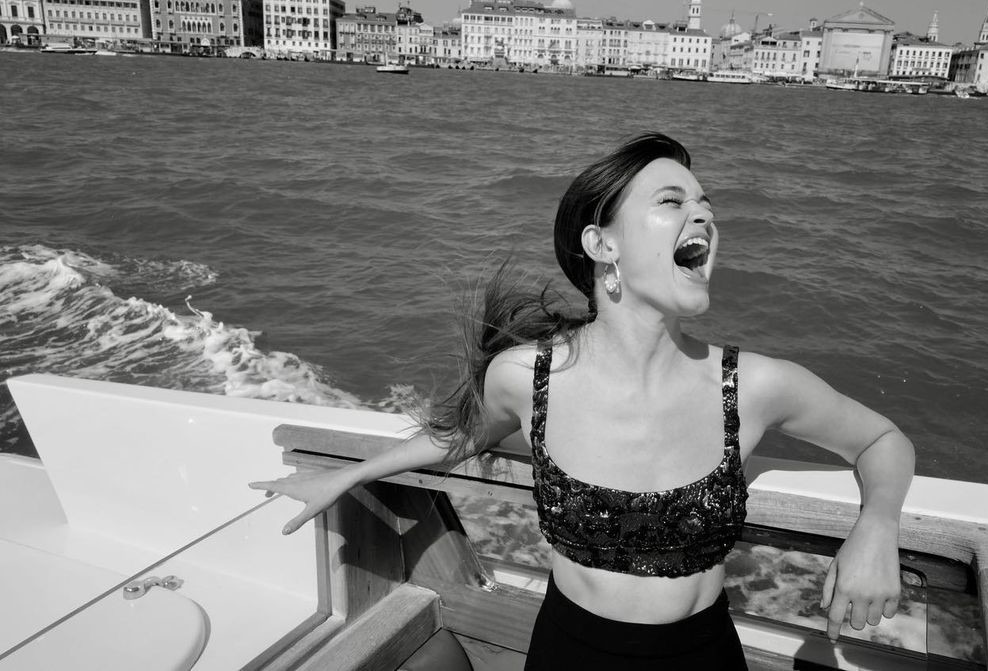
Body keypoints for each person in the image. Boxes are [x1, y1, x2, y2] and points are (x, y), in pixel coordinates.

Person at [251, 132, 915, 669]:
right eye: (672, 200)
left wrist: (877, 527)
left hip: (702, 655)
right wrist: (350, 474)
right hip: (570, 652)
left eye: (705, 203)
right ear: (602, 245)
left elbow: (882, 440)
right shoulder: (527, 377)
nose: (704, 214)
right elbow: (464, 435)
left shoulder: (753, 386)